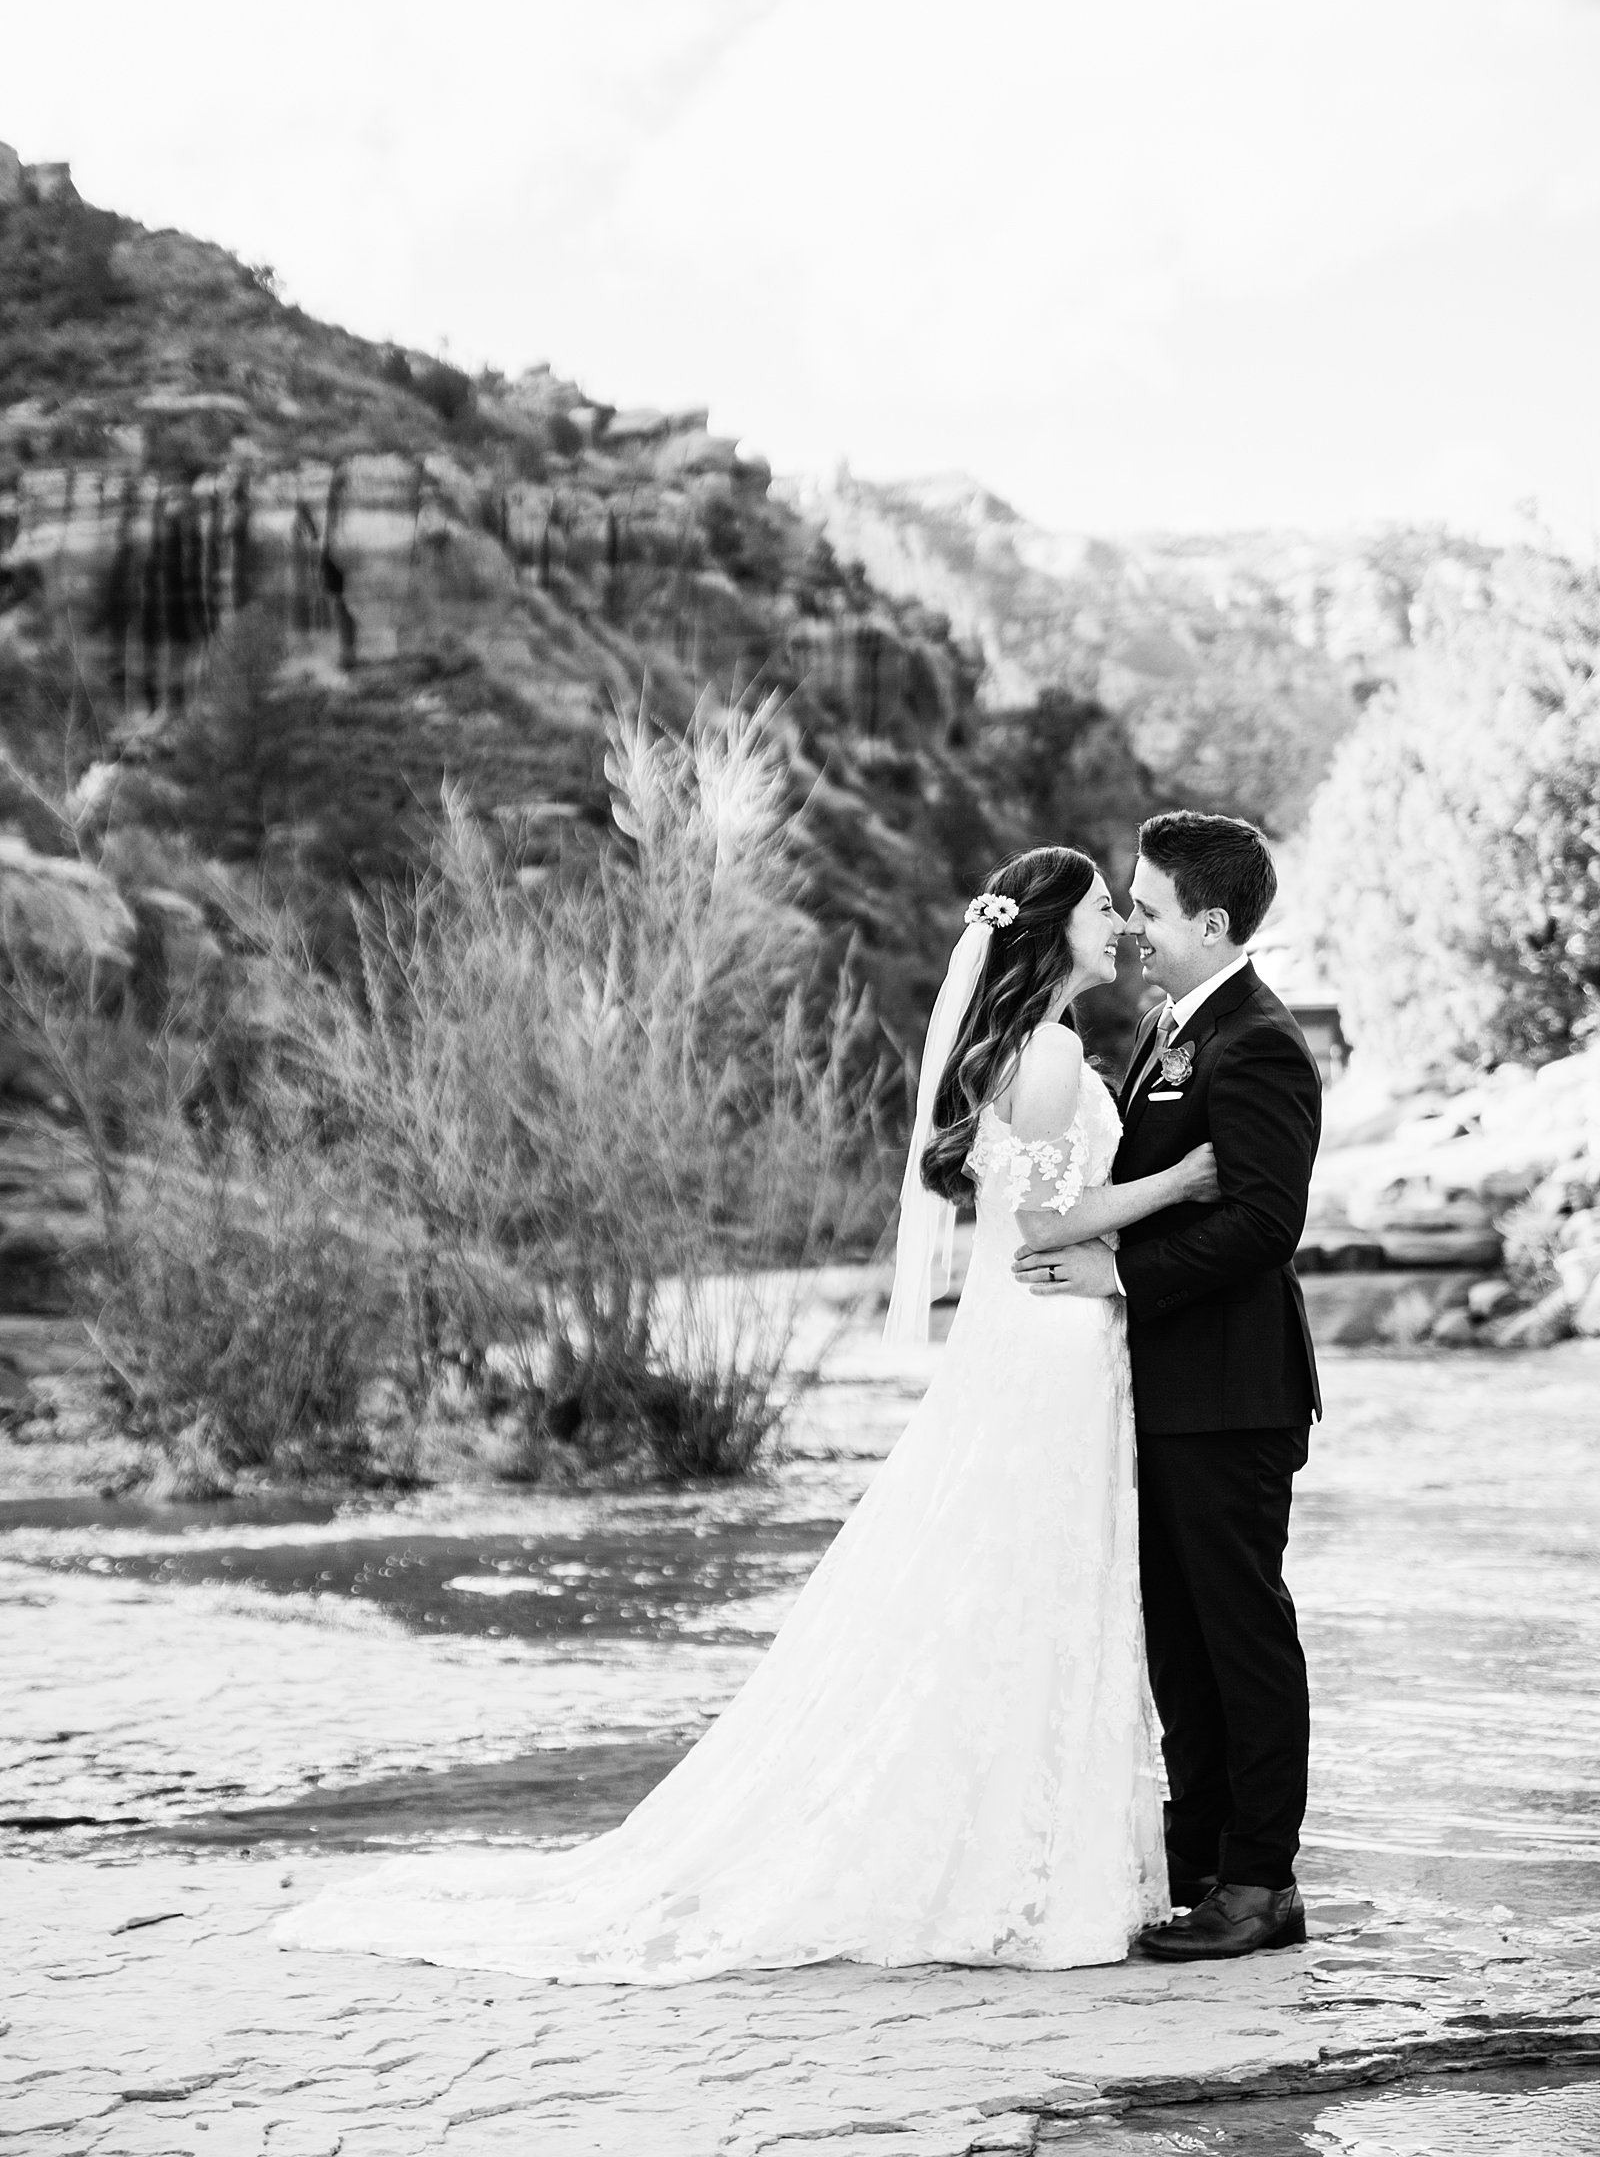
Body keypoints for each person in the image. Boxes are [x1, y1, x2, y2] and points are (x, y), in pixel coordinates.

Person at [279, 844, 1220, 1983]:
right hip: (1051, 1339)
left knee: (1009, 1585)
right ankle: (1020, 1864)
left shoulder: (1027, 1046)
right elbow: (1046, 1224)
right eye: (1104, 908)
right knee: (1034, 1584)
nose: (1119, 921)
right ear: (1055, 926)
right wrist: (1181, 1183)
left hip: (1028, 1344)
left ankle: (1009, 1848)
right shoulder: (1058, 1050)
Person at [1014, 811, 1322, 1961]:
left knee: (1241, 1633)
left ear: (1211, 921)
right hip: (1154, 1391)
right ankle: (1197, 1858)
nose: (1132, 924)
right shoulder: (1163, 1027)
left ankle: (1261, 1883)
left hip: (1235, 1394)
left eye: (1146, 908)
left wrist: (1116, 1272)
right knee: (1177, 1643)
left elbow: (1259, 1228)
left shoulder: (1261, 1043)